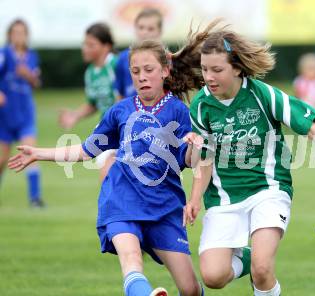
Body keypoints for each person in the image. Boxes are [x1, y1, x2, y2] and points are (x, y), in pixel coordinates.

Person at [9, 39, 207, 296]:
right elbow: (84, 151)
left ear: (165, 71)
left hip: (164, 206)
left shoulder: (179, 112)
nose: (142, 77)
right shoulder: (120, 111)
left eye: (148, 70)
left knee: (190, 289)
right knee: (131, 258)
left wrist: (194, 145)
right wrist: (39, 153)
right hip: (121, 200)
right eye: (135, 72)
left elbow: (190, 161)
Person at [181, 20, 315, 296]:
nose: (209, 77)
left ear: (237, 68)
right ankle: (248, 257)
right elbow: (205, 158)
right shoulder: (201, 106)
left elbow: (307, 123)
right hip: (224, 199)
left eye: (217, 70)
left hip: (269, 190)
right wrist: (193, 200)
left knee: (263, 270)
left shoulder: (261, 94)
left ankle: (258, 265)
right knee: (213, 276)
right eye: (205, 70)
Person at [58, 23, 118, 181]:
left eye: (91, 44)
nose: (85, 48)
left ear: (106, 47)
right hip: (107, 129)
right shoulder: (90, 72)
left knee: (109, 178)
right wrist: (75, 115)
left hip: (124, 128)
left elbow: (128, 96)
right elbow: (93, 103)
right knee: (109, 181)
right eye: (84, 44)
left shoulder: (116, 65)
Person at [0, 19, 44, 207]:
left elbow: (37, 83)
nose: (19, 36)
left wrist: (30, 76)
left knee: (30, 152)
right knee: (2, 159)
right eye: (15, 32)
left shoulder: (32, 56)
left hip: (25, 113)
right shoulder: (3, 54)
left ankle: (35, 198)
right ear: (9, 35)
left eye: (22, 32)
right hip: (5, 115)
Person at [115, 8, 163, 99]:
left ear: (159, 31)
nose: (144, 32)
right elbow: (119, 93)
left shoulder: (167, 59)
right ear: (135, 29)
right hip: (131, 112)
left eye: (150, 29)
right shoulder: (123, 58)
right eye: (141, 27)